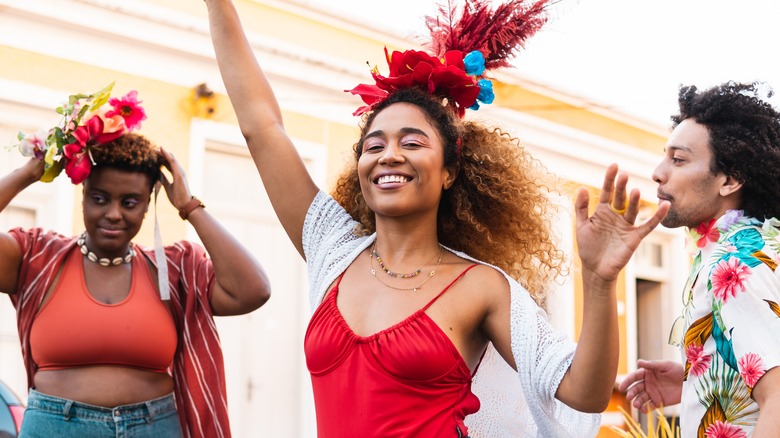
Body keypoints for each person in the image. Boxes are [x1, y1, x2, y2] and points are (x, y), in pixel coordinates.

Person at [204, 0, 668, 436]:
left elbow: (583, 393)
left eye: (411, 143)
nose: (389, 155)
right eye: (374, 145)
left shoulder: (481, 287)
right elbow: (261, 126)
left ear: (449, 172)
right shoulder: (333, 250)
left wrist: (600, 281)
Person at [0, 84, 271, 437]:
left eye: (129, 202)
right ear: (83, 196)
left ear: (147, 205)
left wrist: (190, 206)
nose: (113, 213)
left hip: (154, 427)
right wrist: (28, 173)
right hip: (55, 427)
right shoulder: (38, 257)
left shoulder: (174, 270)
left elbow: (253, 290)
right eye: (100, 198)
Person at [618, 82, 780, 437]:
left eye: (678, 160)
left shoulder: (733, 267)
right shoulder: (758, 247)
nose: (658, 172)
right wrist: (702, 379)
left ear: (730, 179)